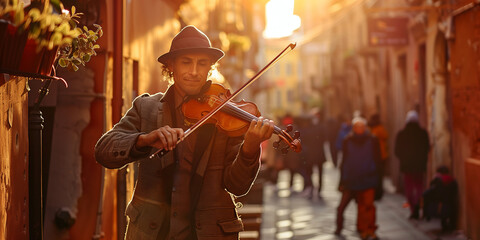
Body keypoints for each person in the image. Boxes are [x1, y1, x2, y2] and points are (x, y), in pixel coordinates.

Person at [94, 25, 275, 240]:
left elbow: (238, 185)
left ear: (210, 67)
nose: (194, 71)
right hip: (152, 233)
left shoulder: (225, 117)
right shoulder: (146, 108)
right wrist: (144, 139)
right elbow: (104, 150)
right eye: (186, 62)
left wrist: (250, 148)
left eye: (202, 63)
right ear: (171, 66)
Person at [335, 117, 381, 240]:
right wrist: (342, 180)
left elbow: (378, 160)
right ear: (353, 128)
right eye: (357, 126)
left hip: (369, 177)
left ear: (365, 128)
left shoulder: (372, 140)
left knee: (368, 205)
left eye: (362, 126)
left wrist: (378, 180)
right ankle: (360, 229)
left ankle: (370, 229)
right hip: (352, 179)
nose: (359, 129)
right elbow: (344, 161)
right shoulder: (348, 140)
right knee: (357, 206)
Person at [394, 110, 430, 220]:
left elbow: (397, 151)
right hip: (419, 166)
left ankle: (413, 209)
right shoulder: (423, 133)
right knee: (419, 187)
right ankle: (418, 206)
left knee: (409, 188)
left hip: (407, 166)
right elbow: (427, 148)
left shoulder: (401, 134)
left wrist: (404, 158)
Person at [423, 165, 458, 231]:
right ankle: (451, 225)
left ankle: (428, 217)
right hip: (450, 202)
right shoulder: (452, 180)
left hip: (439, 203)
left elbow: (428, 192)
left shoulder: (437, 180)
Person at [368, 113, 389, 200]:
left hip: (379, 155)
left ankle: (377, 191)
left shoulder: (374, 129)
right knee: (379, 175)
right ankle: (376, 191)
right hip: (379, 155)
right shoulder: (379, 129)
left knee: (378, 175)